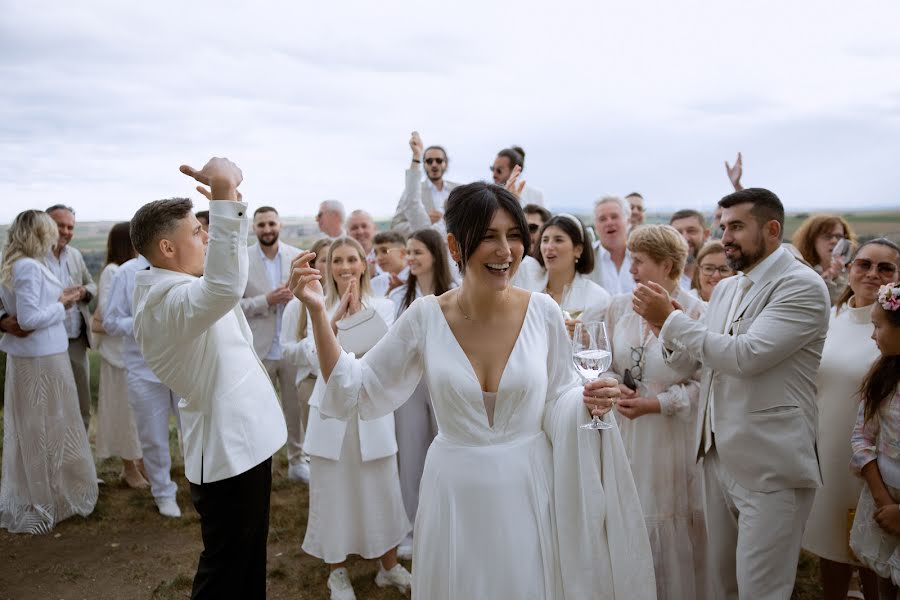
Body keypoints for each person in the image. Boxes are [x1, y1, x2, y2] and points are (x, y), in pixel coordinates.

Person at [289, 181, 655, 599]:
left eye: (515, 236)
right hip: (455, 493)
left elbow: (559, 396)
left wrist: (585, 401)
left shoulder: (543, 312)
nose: (506, 250)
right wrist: (319, 314)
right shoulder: (425, 317)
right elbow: (356, 388)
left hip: (529, 487)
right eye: (488, 237)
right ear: (455, 245)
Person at [634, 188, 830, 599]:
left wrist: (670, 321)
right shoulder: (725, 288)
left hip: (771, 465)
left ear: (772, 229)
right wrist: (662, 332)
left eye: (737, 227)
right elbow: (692, 362)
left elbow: (747, 356)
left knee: (762, 590)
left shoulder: (802, 286)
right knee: (722, 585)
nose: (725, 237)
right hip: (715, 455)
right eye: (723, 227)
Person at [130, 159, 287, 599]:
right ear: (166, 248)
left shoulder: (180, 288)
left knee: (249, 559)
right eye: (197, 233)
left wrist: (230, 199)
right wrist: (221, 193)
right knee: (225, 570)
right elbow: (225, 286)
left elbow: (222, 278)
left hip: (244, 441)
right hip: (226, 451)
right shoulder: (167, 301)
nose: (206, 237)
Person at [298, 236, 412, 599]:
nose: (345, 267)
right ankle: (337, 573)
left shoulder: (384, 306)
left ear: (364, 264)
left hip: (372, 411)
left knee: (382, 490)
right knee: (333, 492)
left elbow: (386, 350)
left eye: (352, 259)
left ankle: (388, 566)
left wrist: (359, 313)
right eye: (337, 260)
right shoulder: (318, 305)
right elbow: (314, 360)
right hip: (330, 414)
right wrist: (333, 318)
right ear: (328, 267)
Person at [606, 225, 710, 600]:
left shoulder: (699, 312)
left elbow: (706, 385)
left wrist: (659, 404)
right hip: (624, 430)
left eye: (639, 261)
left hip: (672, 439)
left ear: (667, 265)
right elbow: (604, 358)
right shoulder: (619, 306)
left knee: (668, 515)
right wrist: (611, 382)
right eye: (631, 259)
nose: (631, 269)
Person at [805, 240, 900, 600]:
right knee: (831, 544)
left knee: (877, 556)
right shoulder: (830, 318)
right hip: (828, 446)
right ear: (849, 268)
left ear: (897, 276)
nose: (873, 274)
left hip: (882, 459)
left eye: (885, 268)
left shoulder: (892, 329)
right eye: (864, 264)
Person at [0, 210, 98, 534]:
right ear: (39, 233)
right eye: (51, 230)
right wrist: (62, 305)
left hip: (39, 356)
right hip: (41, 359)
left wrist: (61, 297)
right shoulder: (28, 266)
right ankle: (46, 499)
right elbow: (27, 320)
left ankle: (48, 491)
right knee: (45, 428)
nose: (57, 235)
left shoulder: (21, 263)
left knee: (42, 428)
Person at [388, 228, 456, 559]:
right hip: (410, 387)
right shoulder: (398, 297)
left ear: (435, 255)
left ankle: (448, 523)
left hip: (447, 386)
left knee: (446, 453)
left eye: (418, 252)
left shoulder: (456, 295)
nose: (411, 258)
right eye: (409, 252)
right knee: (412, 454)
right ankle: (411, 529)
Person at [104, 250, 183, 518]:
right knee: (153, 437)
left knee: (195, 431)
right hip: (143, 369)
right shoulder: (126, 273)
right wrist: (144, 323)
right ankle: (163, 493)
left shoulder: (182, 265)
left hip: (184, 364)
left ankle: (202, 489)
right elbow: (111, 322)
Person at [240, 206, 304, 481]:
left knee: (295, 408)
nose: (267, 229)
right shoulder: (242, 259)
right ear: (254, 228)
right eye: (261, 225)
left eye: (271, 224)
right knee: (256, 409)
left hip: (290, 346)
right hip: (258, 348)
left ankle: (298, 461)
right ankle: (256, 462)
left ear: (280, 225)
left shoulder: (296, 257)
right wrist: (265, 300)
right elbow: (232, 306)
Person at [849, 282, 900, 598]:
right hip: (882, 496)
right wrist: (884, 501)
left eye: (878, 326)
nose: (872, 335)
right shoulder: (884, 377)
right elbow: (861, 437)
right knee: (882, 573)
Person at [92, 222, 146, 489]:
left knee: (138, 412)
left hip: (135, 353)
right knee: (125, 412)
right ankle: (129, 467)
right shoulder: (113, 272)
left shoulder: (137, 269)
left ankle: (140, 462)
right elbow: (106, 311)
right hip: (119, 354)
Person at [279, 238, 333, 485]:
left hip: (341, 384)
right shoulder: (296, 305)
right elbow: (286, 349)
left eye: (336, 258)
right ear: (314, 264)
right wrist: (311, 348)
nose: (331, 264)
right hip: (310, 383)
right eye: (324, 259)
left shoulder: (350, 300)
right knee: (318, 448)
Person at [44, 204, 97, 432]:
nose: (66, 231)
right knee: (50, 405)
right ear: (44, 224)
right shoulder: (31, 256)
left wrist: (84, 292)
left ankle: (80, 460)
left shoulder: (74, 254)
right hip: (43, 343)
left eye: (70, 227)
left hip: (75, 341)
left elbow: (91, 284)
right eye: (59, 225)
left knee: (81, 404)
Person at [528, 213, 611, 331]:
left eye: (558, 240)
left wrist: (585, 340)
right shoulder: (527, 288)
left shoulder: (597, 298)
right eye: (545, 240)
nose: (549, 247)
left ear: (578, 250)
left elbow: (600, 344)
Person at [392, 131, 459, 237]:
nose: (434, 165)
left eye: (439, 160)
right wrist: (424, 223)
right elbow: (396, 225)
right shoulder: (412, 191)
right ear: (424, 164)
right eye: (429, 161)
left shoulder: (458, 190)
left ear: (446, 163)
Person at [792, 214, 857, 304]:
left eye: (839, 237)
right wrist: (827, 280)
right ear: (812, 240)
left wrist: (837, 278)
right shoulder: (800, 270)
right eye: (827, 236)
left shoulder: (852, 273)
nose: (834, 241)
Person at [589, 195, 635, 295]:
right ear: (595, 227)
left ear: (627, 221)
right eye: (602, 219)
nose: (609, 223)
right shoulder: (587, 258)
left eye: (614, 217)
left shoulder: (644, 256)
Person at [670, 209, 711, 290]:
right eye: (678, 233)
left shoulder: (718, 275)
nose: (684, 238)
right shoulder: (664, 279)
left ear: (705, 235)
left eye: (691, 231)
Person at [370, 231, 409, 298]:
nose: (379, 258)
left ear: (403, 253)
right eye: (376, 253)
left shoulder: (418, 279)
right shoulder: (375, 283)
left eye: (385, 251)